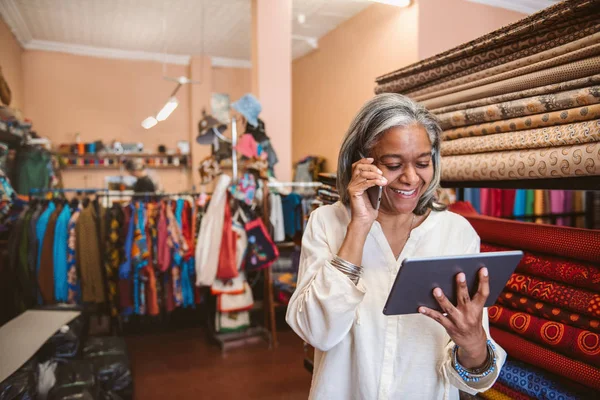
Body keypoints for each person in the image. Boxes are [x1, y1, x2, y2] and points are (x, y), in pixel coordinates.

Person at [286, 94, 506, 399]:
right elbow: (316, 332)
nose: (412, 178)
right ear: (361, 163)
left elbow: (473, 378)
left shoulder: (456, 234)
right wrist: (359, 226)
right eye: (393, 164)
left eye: (423, 163)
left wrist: (473, 343)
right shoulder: (326, 223)